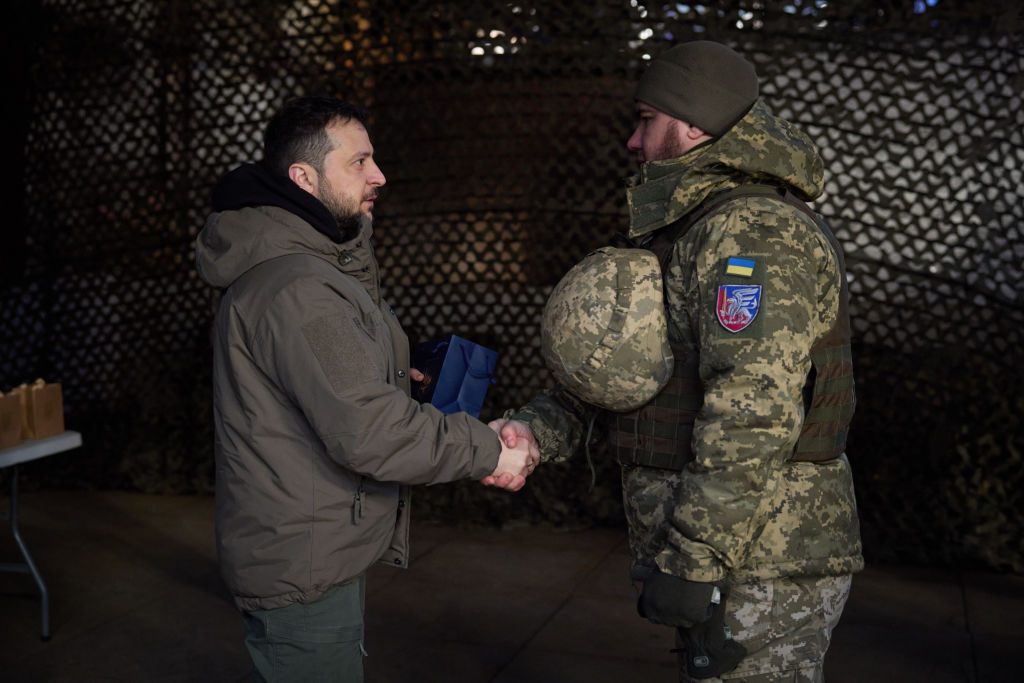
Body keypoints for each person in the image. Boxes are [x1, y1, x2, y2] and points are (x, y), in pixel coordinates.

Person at [491, 41, 863, 682]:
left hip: (763, 560)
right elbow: (634, 371)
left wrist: (695, 559)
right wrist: (534, 433)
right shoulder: (693, 224)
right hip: (735, 555)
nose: (634, 141)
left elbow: (754, 408)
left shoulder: (753, 233)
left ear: (694, 124)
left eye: (646, 118)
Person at [195, 96, 536, 683]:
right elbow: (371, 434)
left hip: (310, 548)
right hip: (302, 567)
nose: (379, 175)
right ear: (303, 178)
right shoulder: (300, 288)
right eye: (359, 162)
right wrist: (489, 448)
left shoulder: (310, 269)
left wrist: (391, 376)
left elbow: (317, 387)